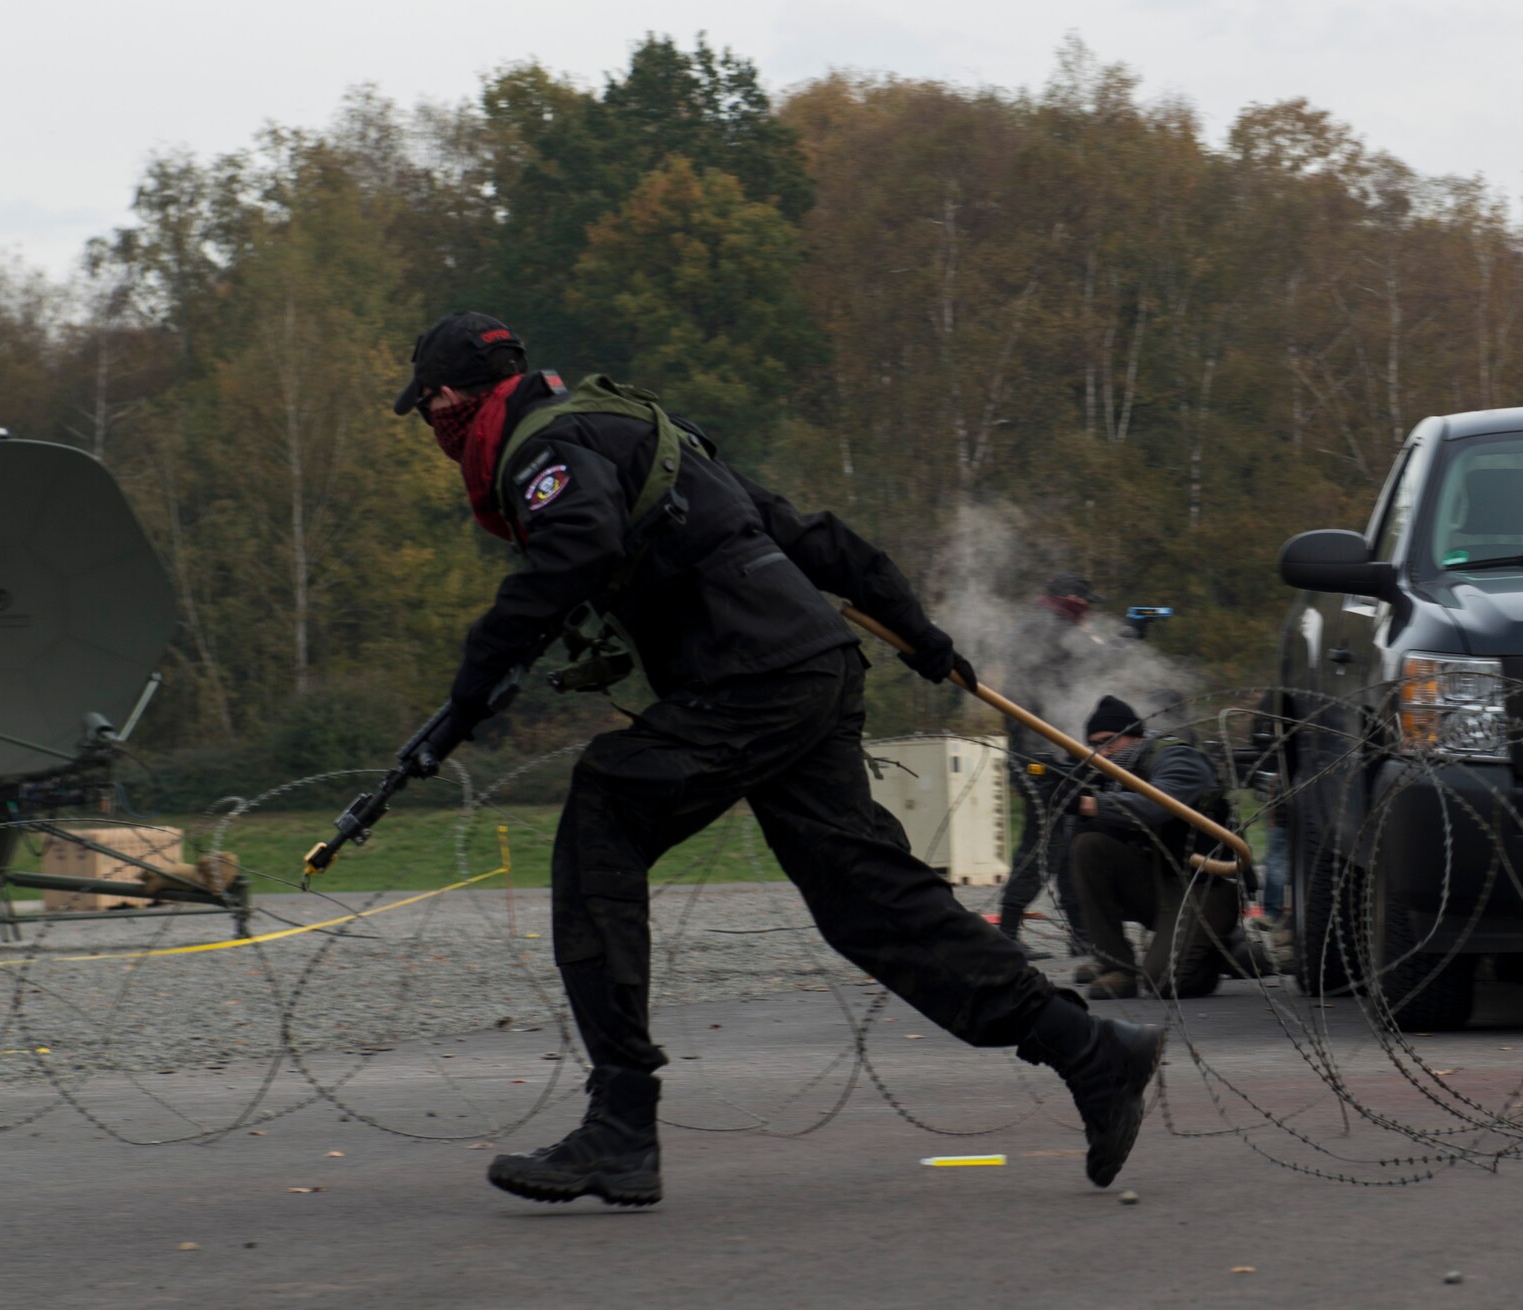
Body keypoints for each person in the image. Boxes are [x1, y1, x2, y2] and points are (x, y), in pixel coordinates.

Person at [391, 310, 1164, 1206]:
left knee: (604, 809)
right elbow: (808, 536)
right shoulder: (631, 424)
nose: (434, 427)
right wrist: (918, 632)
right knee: (867, 901)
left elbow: (579, 545)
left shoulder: (541, 448)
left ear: (452, 397)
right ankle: (1092, 1054)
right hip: (808, 668)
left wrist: (466, 693)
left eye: (430, 409)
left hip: (751, 679)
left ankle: (621, 1124)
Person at [1069, 695, 1242, 1000]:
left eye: (1110, 741)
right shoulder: (1112, 776)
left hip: (1203, 886)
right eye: (1094, 745)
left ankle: (1220, 951)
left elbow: (1159, 805)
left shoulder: (1175, 758)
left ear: (1134, 736)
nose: (1103, 752)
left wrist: (1087, 803)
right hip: (1157, 882)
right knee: (1088, 847)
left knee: (1162, 981)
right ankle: (1117, 967)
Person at [996, 573, 1108, 960]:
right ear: (1070, 599)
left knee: (1067, 842)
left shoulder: (1041, 626)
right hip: (1042, 757)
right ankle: (1007, 932)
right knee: (1043, 844)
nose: (1089, 611)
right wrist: (1125, 641)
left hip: (1054, 755)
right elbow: (1079, 669)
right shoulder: (1047, 628)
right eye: (1085, 602)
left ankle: (1080, 935)